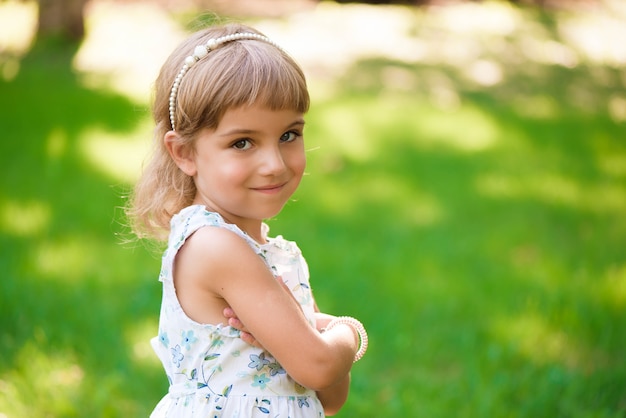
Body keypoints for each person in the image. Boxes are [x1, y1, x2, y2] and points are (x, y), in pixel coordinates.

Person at [126, 22, 368, 417]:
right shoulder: (215, 246)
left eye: (289, 135)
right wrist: (348, 331)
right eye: (242, 143)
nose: (274, 164)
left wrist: (320, 340)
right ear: (184, 153)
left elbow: (329, 397)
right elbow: (321, 365)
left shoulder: (270, 254)